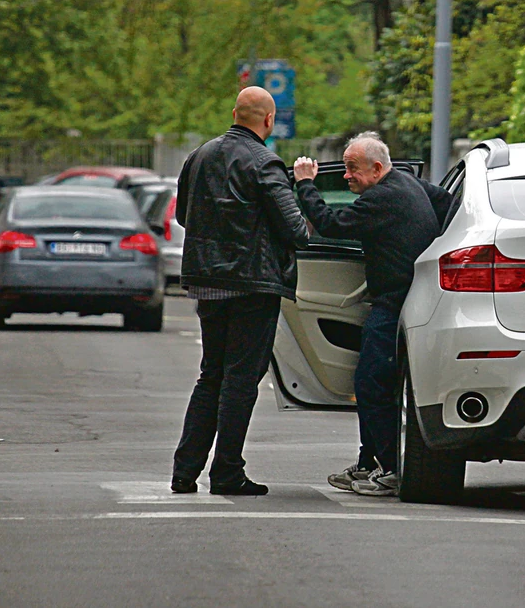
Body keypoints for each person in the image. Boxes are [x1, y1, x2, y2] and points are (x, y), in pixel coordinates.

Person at [293, 132, 450, 497]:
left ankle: (391, 469)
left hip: (394, 302)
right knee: (376, 383)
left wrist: (305, 185)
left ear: (377, 168)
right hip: (408, 297)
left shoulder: (382, 197)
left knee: (371, 384)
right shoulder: (408, 183)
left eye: (352, 169)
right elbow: (445, 200)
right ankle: (369, 464)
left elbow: (330, 225)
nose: (346, 176)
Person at [171, 87, 310, 496]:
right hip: (252, 285)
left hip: (207, 282)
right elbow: (296, 230)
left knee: (210, 373)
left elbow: (183, 215)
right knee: (240, 379)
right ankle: (227, 471)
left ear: (235, 113)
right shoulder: (266, 163)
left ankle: (184, 472)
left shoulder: (199, 156)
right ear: (268, 120)